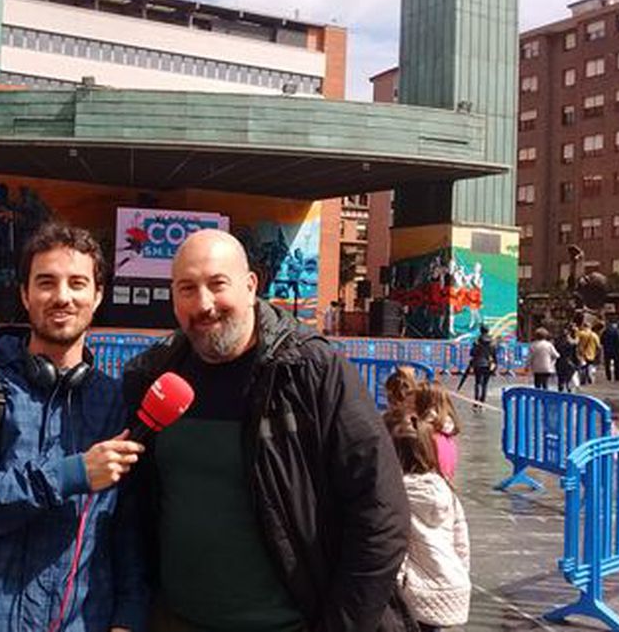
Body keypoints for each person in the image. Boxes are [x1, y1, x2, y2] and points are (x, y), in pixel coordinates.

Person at [122, 229, 410, 632]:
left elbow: (382, 515)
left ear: (251, 285)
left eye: (217, 284)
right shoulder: (151, 375)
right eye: (187, 288)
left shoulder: (312, 371)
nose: (203, 304)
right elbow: (131, 513)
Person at [0, 223, 147, 632]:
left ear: (97, 296)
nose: (62, 296)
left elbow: (126, 529)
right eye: (46, 283)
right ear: (25, 294)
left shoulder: (113, 402)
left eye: (77, 283)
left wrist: (128, 618)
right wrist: (72, 474)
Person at [387, 412, 471, 631]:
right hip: (451, 582)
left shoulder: (396, 494)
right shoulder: (445, 489)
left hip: (417, 590)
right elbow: (461, 541)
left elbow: (398, 546)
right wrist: (461, 571)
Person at [411, 382, 461, 481]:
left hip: (427, 487)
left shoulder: (426, 436)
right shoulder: (446, 432)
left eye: (414, 402)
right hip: (443, 488)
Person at [467, 325, 498, 404]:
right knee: (485, 384)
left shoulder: (477, 341)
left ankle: (476, 400)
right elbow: (494, 355)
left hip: (478, 363)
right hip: (488, 364)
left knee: (477, 383)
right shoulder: (492, 342)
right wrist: (495, 365)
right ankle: (482, 400)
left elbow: (472, 353)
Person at [555, 325, 580, 393]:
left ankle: (560, 391)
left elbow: (555, 352)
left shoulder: (557, 342)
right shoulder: (572, 343)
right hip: (569, 362)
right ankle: (568, 391)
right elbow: (575, 354)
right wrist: (577, 363)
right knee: (568, 379)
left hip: (559, 362)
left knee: (560, 379)